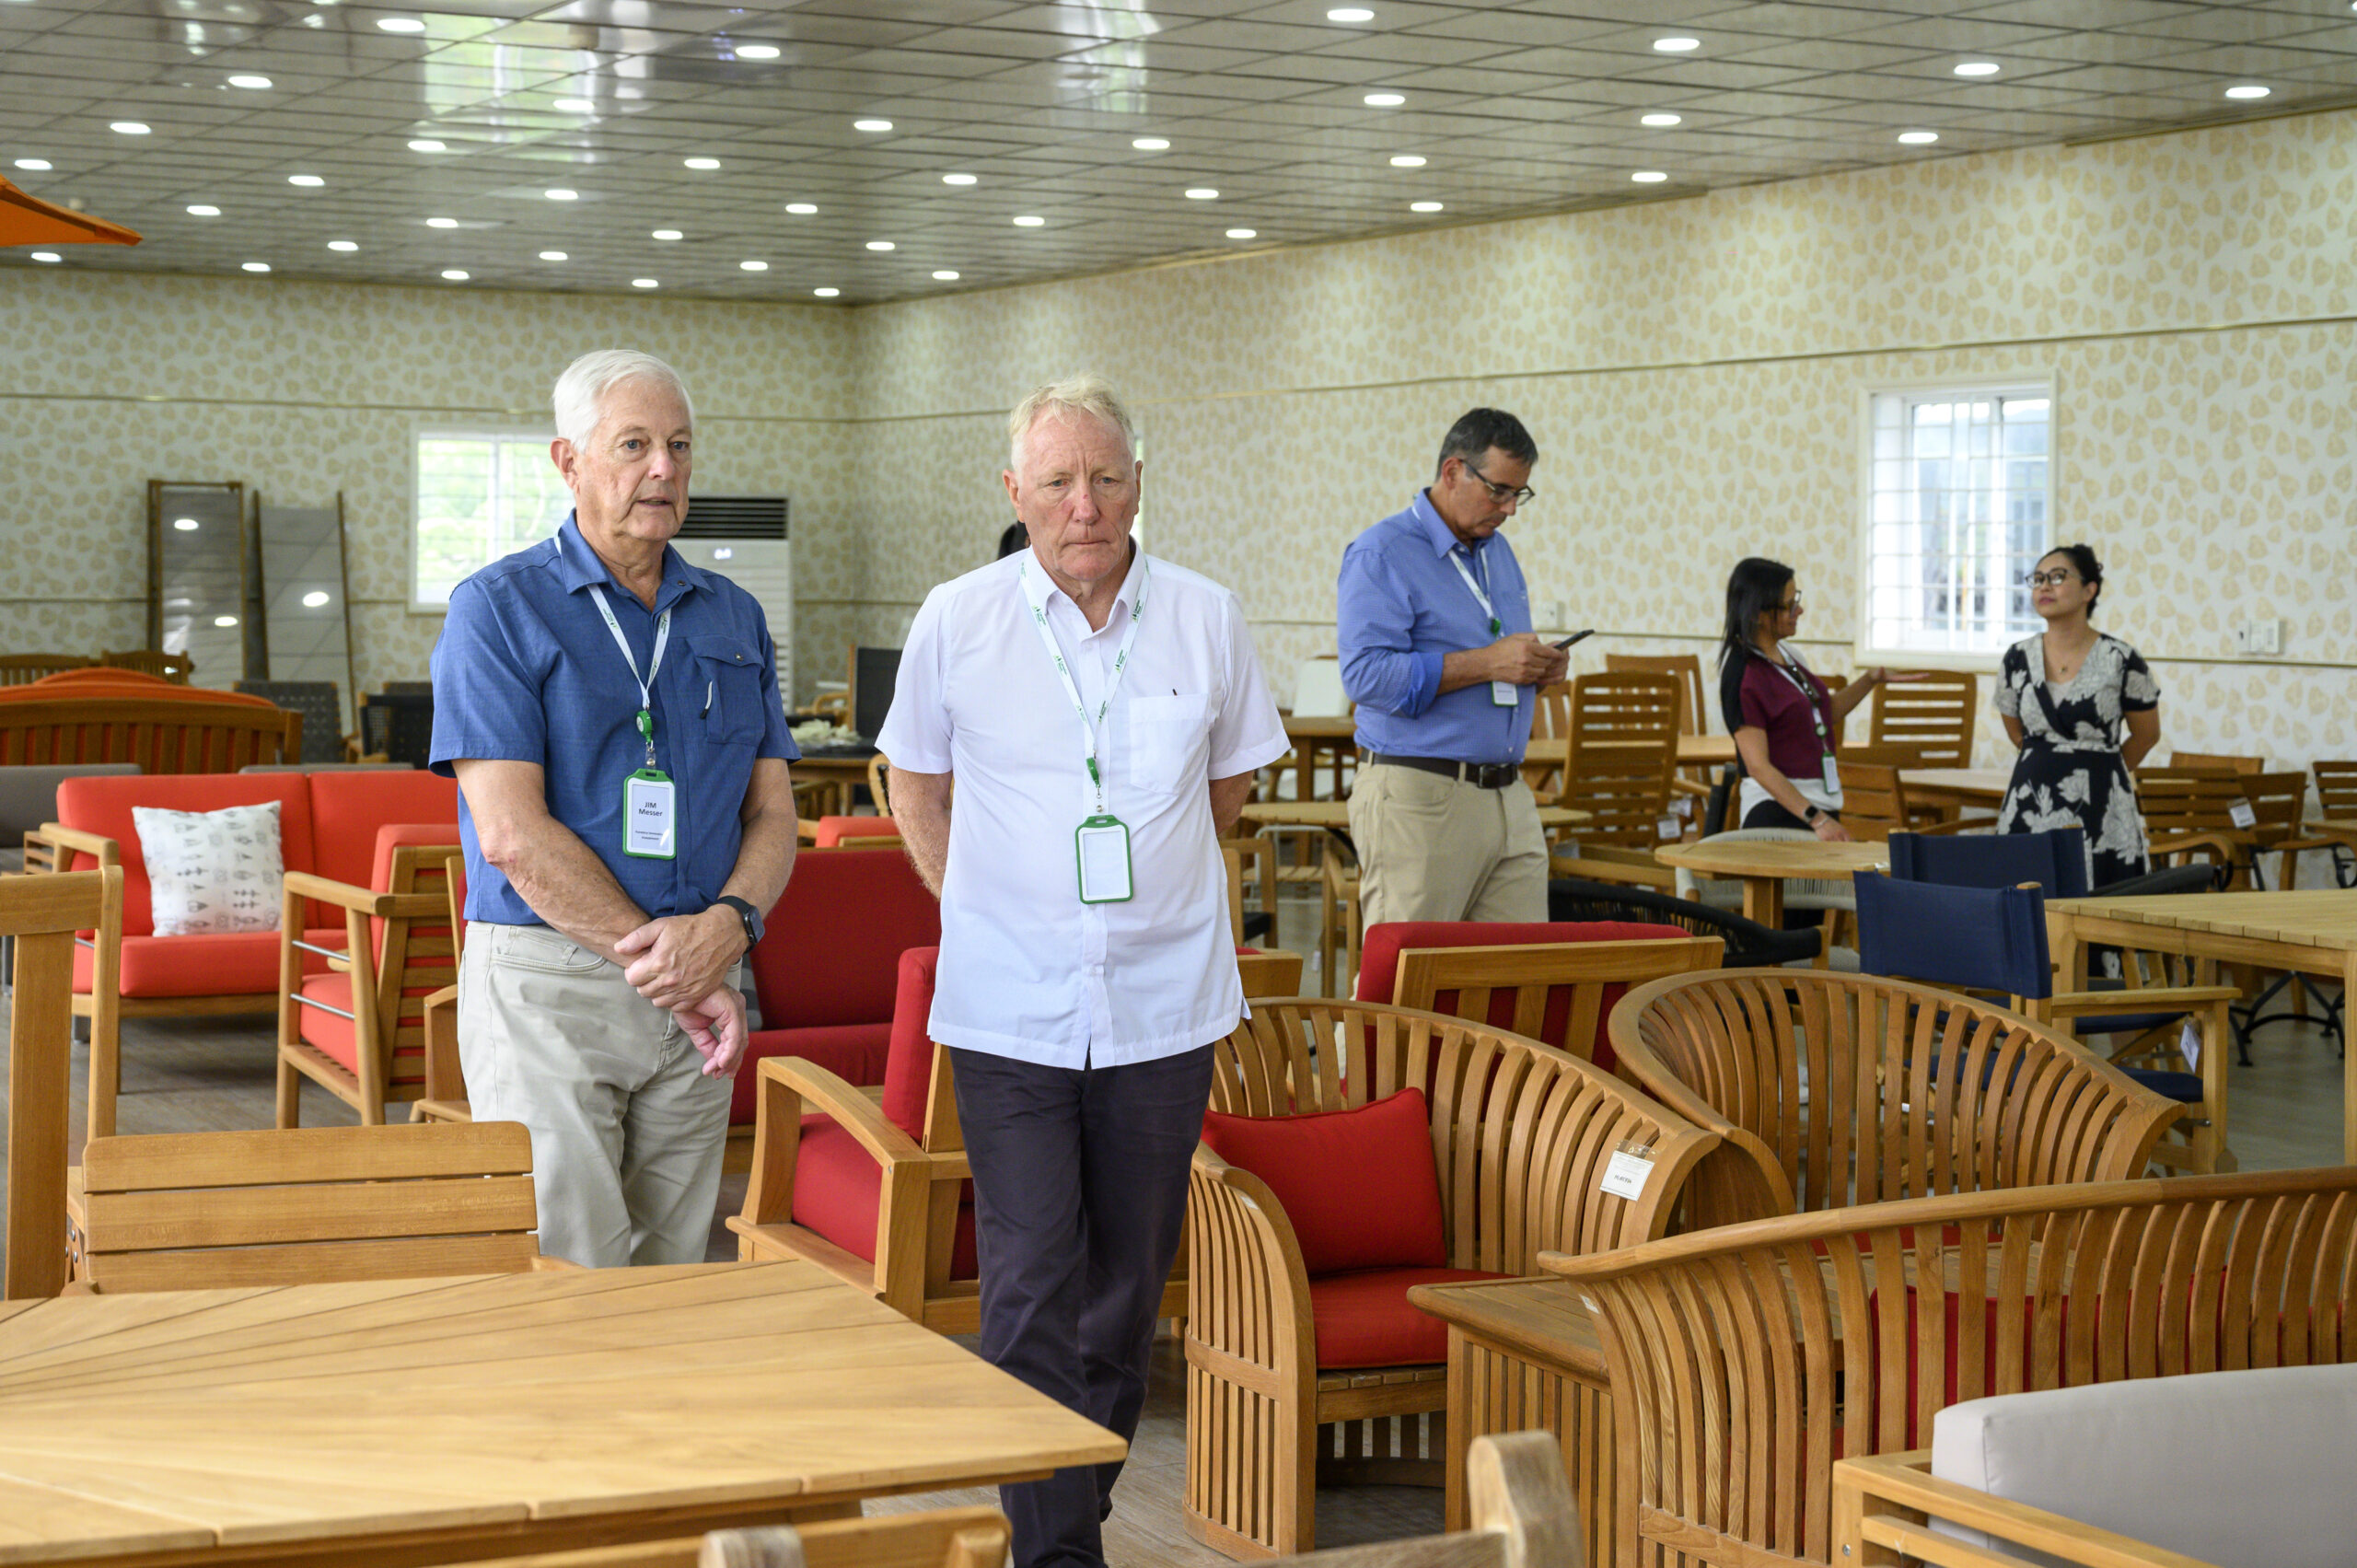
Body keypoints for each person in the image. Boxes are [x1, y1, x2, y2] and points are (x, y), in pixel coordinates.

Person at [879, 376, 1286, 1568]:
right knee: (1028, 1280)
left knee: (1126, 1288)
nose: (1085, 505)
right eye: (1057, 481)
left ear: (1138, 484)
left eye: (1106, 478)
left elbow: (1226, 789)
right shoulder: (958, 619)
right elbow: (914, 783)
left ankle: (1064, 1512)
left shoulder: (1206, 616)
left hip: (1164, 1005)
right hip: (1010, 1007)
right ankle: (1058, 1554)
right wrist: (973, 902)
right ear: (1016, 491)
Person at [431, 348, 800, 1269]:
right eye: (634, 444)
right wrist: (673, 964)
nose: (663, 468)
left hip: (706, 974)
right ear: (569, 461)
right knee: (570, 1274)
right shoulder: (495, 610)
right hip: (553, 979)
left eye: (680, 445)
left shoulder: (733, 616)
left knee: (674, 1272)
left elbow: (773, 814)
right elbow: (511, 835)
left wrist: (728, 926)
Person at [1337, 407, 1569, 927]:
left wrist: (1536, 669)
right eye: (1499, 491)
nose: (1510, 509)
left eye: (1519, 494)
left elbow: (1496, 667)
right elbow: (1366, 677)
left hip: (1509, 795)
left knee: (1520, 969)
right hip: (1421, 795)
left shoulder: (1498, 553)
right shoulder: (1382, 553)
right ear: (1452, 472)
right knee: (1408, 971)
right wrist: (1488, 663)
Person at [1995, 542, 2161, 886]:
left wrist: (2103, 769)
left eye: (2057, 577)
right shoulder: (2016, 657)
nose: (2044, 586)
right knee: (2026, 903)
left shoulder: (2121, 658)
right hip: (2031, 798)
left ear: (2089, 590)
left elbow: (2147, 735)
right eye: (2038, 578)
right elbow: (2015, 729)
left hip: (2103, 804)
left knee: (2103, 901)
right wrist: (2047, 761)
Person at [1716, 557, 1898, 839]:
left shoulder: (1789, 656)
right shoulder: (1743, 674)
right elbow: (1758, 766)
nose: (1799, 610)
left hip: (1816, 805)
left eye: (1796, 600)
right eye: (1788, 606)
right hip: (1779, 811)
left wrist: (1870, 680)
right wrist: (1818, 820)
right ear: (1757, 614)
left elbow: (1825, 713)